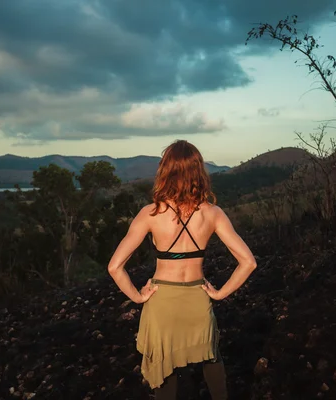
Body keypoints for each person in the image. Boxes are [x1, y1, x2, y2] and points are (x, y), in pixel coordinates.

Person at [107, 140, 257, 399]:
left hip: (161, 302)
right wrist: (220, 294)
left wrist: (138, 296)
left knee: (164, 368)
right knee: (212, 359)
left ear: (166, 171)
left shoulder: (149, 214)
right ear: (199, 171)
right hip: (198, 300)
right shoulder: (213, 214)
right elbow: (249, 262)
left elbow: (114, 266)